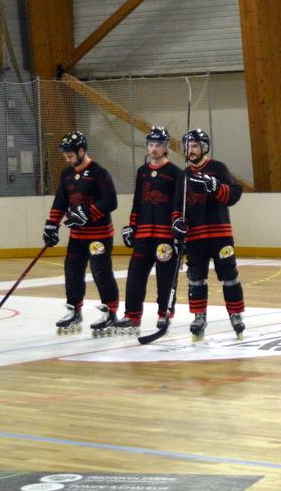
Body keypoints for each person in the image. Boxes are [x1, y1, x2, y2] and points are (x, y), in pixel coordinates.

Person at [171, 128, 245, 342]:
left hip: (220, 234)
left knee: (229, 276)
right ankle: (199, 316)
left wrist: (215, 186)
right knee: (196, 279)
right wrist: (177, 223)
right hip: (195, 237)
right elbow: (177, 205)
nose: (190, 150)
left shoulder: (217, 168)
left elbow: (234, 194)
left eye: (194, 146)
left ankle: (235, 314)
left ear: (204, 147)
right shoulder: (183, 175)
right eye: (187, 146)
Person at [45, 130, 120, 336]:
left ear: (81, 150)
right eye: (65, 154)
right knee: (72, 271)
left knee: (100, 272)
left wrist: (87, 214)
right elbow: (61, 201)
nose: (66, 157)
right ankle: (74, 310)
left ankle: (110, 312)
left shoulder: (99, 172)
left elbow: (110, 201)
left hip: (99, 234)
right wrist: (51, 224)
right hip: (77, 235)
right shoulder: (66, 174)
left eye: (69, 153)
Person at [114, 127, 182, 336]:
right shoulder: (142, 172)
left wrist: (179, 232)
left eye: (158, 145)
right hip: (144, 233)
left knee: (166, 276)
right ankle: (132, 316)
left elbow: (179, 205)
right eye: (151, 145)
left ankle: (164, 314)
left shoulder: (175, 173)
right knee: (135, 274)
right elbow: (137, 202)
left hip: (165, 236)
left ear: (166, 147)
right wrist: (131, 227)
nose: (154, 149)